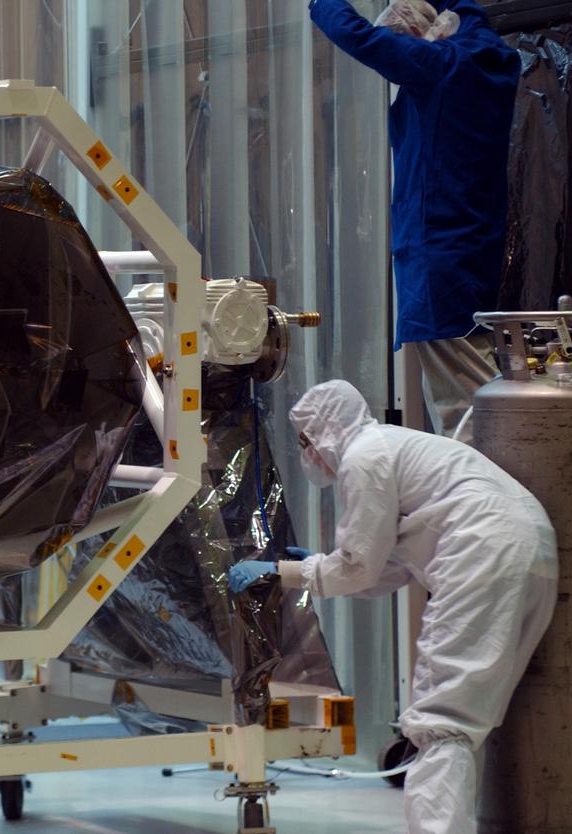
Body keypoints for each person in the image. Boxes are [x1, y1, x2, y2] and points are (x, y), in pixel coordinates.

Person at [228, 380, 556, 834]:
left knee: (442, 721)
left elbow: (358, 568)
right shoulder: (394, 446)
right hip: (532, 552)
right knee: (469, 713)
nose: (307, 454)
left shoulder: (364, 458)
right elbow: (389, 568)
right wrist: (315, 568)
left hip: (480, 556)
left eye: (305, 441)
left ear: (323, 432)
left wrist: (282, 572)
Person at [310, 0, 520, 442]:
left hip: (437, 258)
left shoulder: (442, 67)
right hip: (466, 252)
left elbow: (362, 39)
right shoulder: (483, 61)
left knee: (469, 415)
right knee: (464, 395)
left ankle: (484, 504)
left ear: (424, 38)